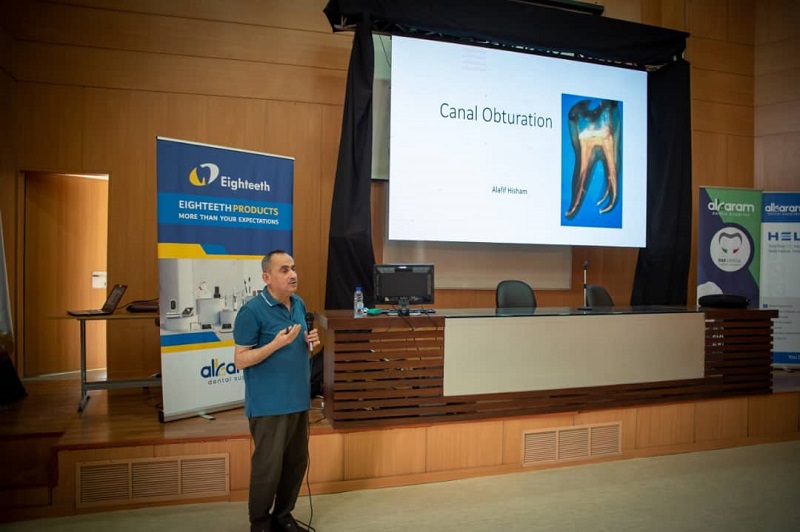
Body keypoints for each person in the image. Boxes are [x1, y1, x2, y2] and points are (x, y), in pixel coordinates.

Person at [233, 250, 320, 532]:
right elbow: (240, 360)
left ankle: (283, 516)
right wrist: (275, 344)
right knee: (268, 468)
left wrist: (310, 342)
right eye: (284, 270)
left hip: (298, 399)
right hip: (268, 404)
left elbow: (302, 351)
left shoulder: (298, 304)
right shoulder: (251, 311)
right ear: (266, 277)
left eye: (293, 268)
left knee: (295, 464)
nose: (292, 274)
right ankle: (260, 522)